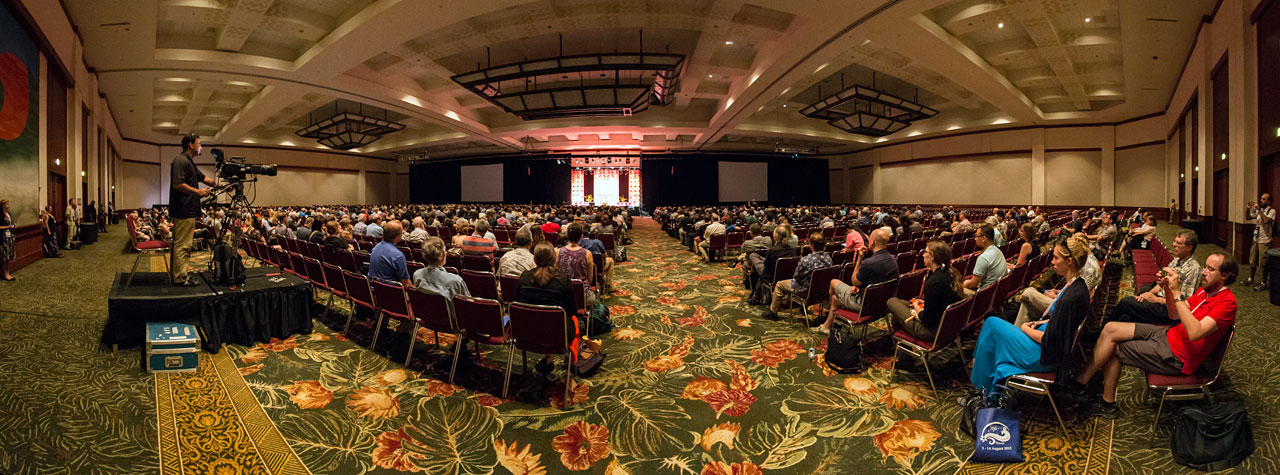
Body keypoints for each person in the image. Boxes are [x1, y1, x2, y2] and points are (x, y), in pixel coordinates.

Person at [1072, 252, 1238, 418]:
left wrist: (1176, 293)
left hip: (1178, 357)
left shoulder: (1227, 302)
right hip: (1169, 334)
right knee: (1111, 328)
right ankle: (1080, 383)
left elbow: (1195, 333)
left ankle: (1106, 403)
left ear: (1225, 275)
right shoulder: (1204, 291)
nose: (1204, 271)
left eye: (1210, 269)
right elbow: (1174, 315)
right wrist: (1166, 287)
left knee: (1112, 349)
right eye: (1205, 267)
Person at [969, 235, 1093, 394]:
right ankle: (986, 386)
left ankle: (982, 388)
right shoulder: (1077, 285)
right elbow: (1060, 323)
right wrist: (1038, 324)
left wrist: (1025, 328)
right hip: (1046, 345)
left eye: (1056, 258)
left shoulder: (1070, 298)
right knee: (993, 330)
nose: (1052, 261)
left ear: (1069, 261)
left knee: (991, 324)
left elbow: (1053, 341)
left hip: (1043, 356)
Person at [1107, 230, 1202, 325]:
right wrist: (1147, 294)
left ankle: (1102, 332)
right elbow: (1162, 284)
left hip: (1170, 310)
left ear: (1189, 247)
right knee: (1131, 309)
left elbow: (1185, 302)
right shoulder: (1176, 260)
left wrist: (1156, 299)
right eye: (1174, 241)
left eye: (1179, 243)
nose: (1174, 245)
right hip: (1163, 296)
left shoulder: (1193, 269)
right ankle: (1112, 329)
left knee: (1126, 303)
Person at [813, 228, 897, 334]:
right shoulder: (893, 260)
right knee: (835, 299)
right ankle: (827, 325)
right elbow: (878, 282)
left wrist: (859, 258)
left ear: (873, 241)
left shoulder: (869, 263)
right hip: (882, 304)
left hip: (863, 305)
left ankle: (827, 316)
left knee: (834, 282)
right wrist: (860, 287)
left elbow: (854, 281)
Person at [516, 241, 582, 372]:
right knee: (568, 320)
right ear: (554, 258)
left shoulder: (524, 277)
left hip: (526, 332)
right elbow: (572, 310)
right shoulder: (563, 280)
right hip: (558, 335)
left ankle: (548, 359)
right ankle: (554, 359)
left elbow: (517, 304)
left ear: (534, 258)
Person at [884, 241, 963, 341]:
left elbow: (925, 319)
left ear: (932, 256)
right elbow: (944, 301)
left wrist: (917, 304)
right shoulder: (952, 273)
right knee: (902, 305)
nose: (923, 255)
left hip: (931, 331)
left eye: (925, 252)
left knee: (892, 301)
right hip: (949, 327)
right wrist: (925, 302)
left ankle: (904, 354)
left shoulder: (933, 282)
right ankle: (903, 353)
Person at [169, 134, 216, 286]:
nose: (201, 146)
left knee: (181, 244)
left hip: (187, 209)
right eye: (199, 144)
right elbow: (178, 184)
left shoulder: (189, 162)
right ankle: (180, 278)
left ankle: (177, 275)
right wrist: (198, 192)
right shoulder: (180, 161)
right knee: (183, 245)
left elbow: (203, 179)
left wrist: (219, 185)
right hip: (183, 210)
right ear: (190, 145)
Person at [763, 232, 831, 320]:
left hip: (804, 291)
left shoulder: (806, 260)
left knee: (779, 285)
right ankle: (803, 307)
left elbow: (797, 277)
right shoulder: (829, 258)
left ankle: (773, 312)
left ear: (811, 245)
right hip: (821, 290)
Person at [412, 236, 470, 311]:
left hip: (426, 316)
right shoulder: (456, 281)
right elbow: (468, 305)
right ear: (443, 253)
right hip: (452, 321)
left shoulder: (417, 274)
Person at [964, 225, 1007, 295]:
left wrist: (960, 285)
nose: (975, 239)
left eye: (976, 236)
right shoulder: (997, 250)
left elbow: (973, 284)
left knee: (958, 290)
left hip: (986, 294)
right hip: (998, 290)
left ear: (983, 238)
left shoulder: (983, 257)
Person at [1243, 193, 1274, 292]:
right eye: (1261, 199)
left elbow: (1265, 220)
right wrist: (1248, 208)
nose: (1261, 201)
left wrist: (1259, 210)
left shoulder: (1271, 211)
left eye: (1264, 199)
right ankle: (1250, 279)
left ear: (1269, 201)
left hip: (1264, 241)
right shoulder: (1258, 210)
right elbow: (1248, 217)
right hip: (1256, 239)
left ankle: (1263, 283)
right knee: (1252, 261)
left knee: (1263, 263)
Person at [367, 220, 412, 287]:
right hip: (391, 292)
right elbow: (405, 284)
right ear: (398, 235)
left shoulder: (375, 247)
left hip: (374, 288)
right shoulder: (398, 255)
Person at [0, 200, 15, 281]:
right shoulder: (1, 215)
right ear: (3, 205)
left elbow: (11, 223)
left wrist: (13, 226)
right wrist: (8, 227)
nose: (9, 205)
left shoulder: (9, 214)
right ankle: (5, 273)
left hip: (10, 237)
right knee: (5, 256)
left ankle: (8, 272)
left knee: (9, 256)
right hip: (3, 238)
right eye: (7, 204)